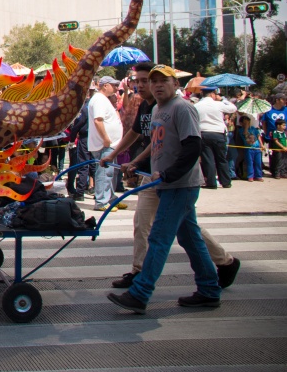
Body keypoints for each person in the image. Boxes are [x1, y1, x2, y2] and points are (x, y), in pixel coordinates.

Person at [100, 62, 240, 290]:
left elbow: (188, 145)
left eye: (152, 81)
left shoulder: (175, 107)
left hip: (173, 178)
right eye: (143, 81)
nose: (147, 86)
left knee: (165, 234)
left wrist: (161, 170)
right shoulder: (150, 107)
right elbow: (140, 135)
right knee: (163, 225)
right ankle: (216, 271)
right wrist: (118, 156)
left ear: (173, 84)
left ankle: (142, 286)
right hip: (155, 173)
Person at [88, 76, 125, 212]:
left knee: (111, 172)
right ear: (105, 86)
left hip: (110, 144)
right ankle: (102, 201)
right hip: (104, 144)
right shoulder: (99, 100)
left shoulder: (103, 100)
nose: (116, 89)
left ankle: (110, 198)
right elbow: (98, 120)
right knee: (105, 172)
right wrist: (106, 138)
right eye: (114, 85)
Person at [194, 87, 237, 189]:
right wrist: (222, 99)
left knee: (208, 159)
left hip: (203, 133)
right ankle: (226, 181)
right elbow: (233, 108)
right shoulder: (218, 104)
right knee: (221, 158)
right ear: (213, 94)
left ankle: (211, 182)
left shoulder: (197, 105)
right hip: (218, 133)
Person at [238, 115, 264, 181]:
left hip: (256, 148)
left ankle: (258, 175)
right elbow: (245, 134)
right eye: (245, 123)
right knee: (250, 162)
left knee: (258, 162)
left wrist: (261, 145)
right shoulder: (241, 130)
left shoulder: (253, 128)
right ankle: (250, 176)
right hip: (248, 148)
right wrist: (246, 127)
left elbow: (258, 136)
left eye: (248, 122)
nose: (247, 124)